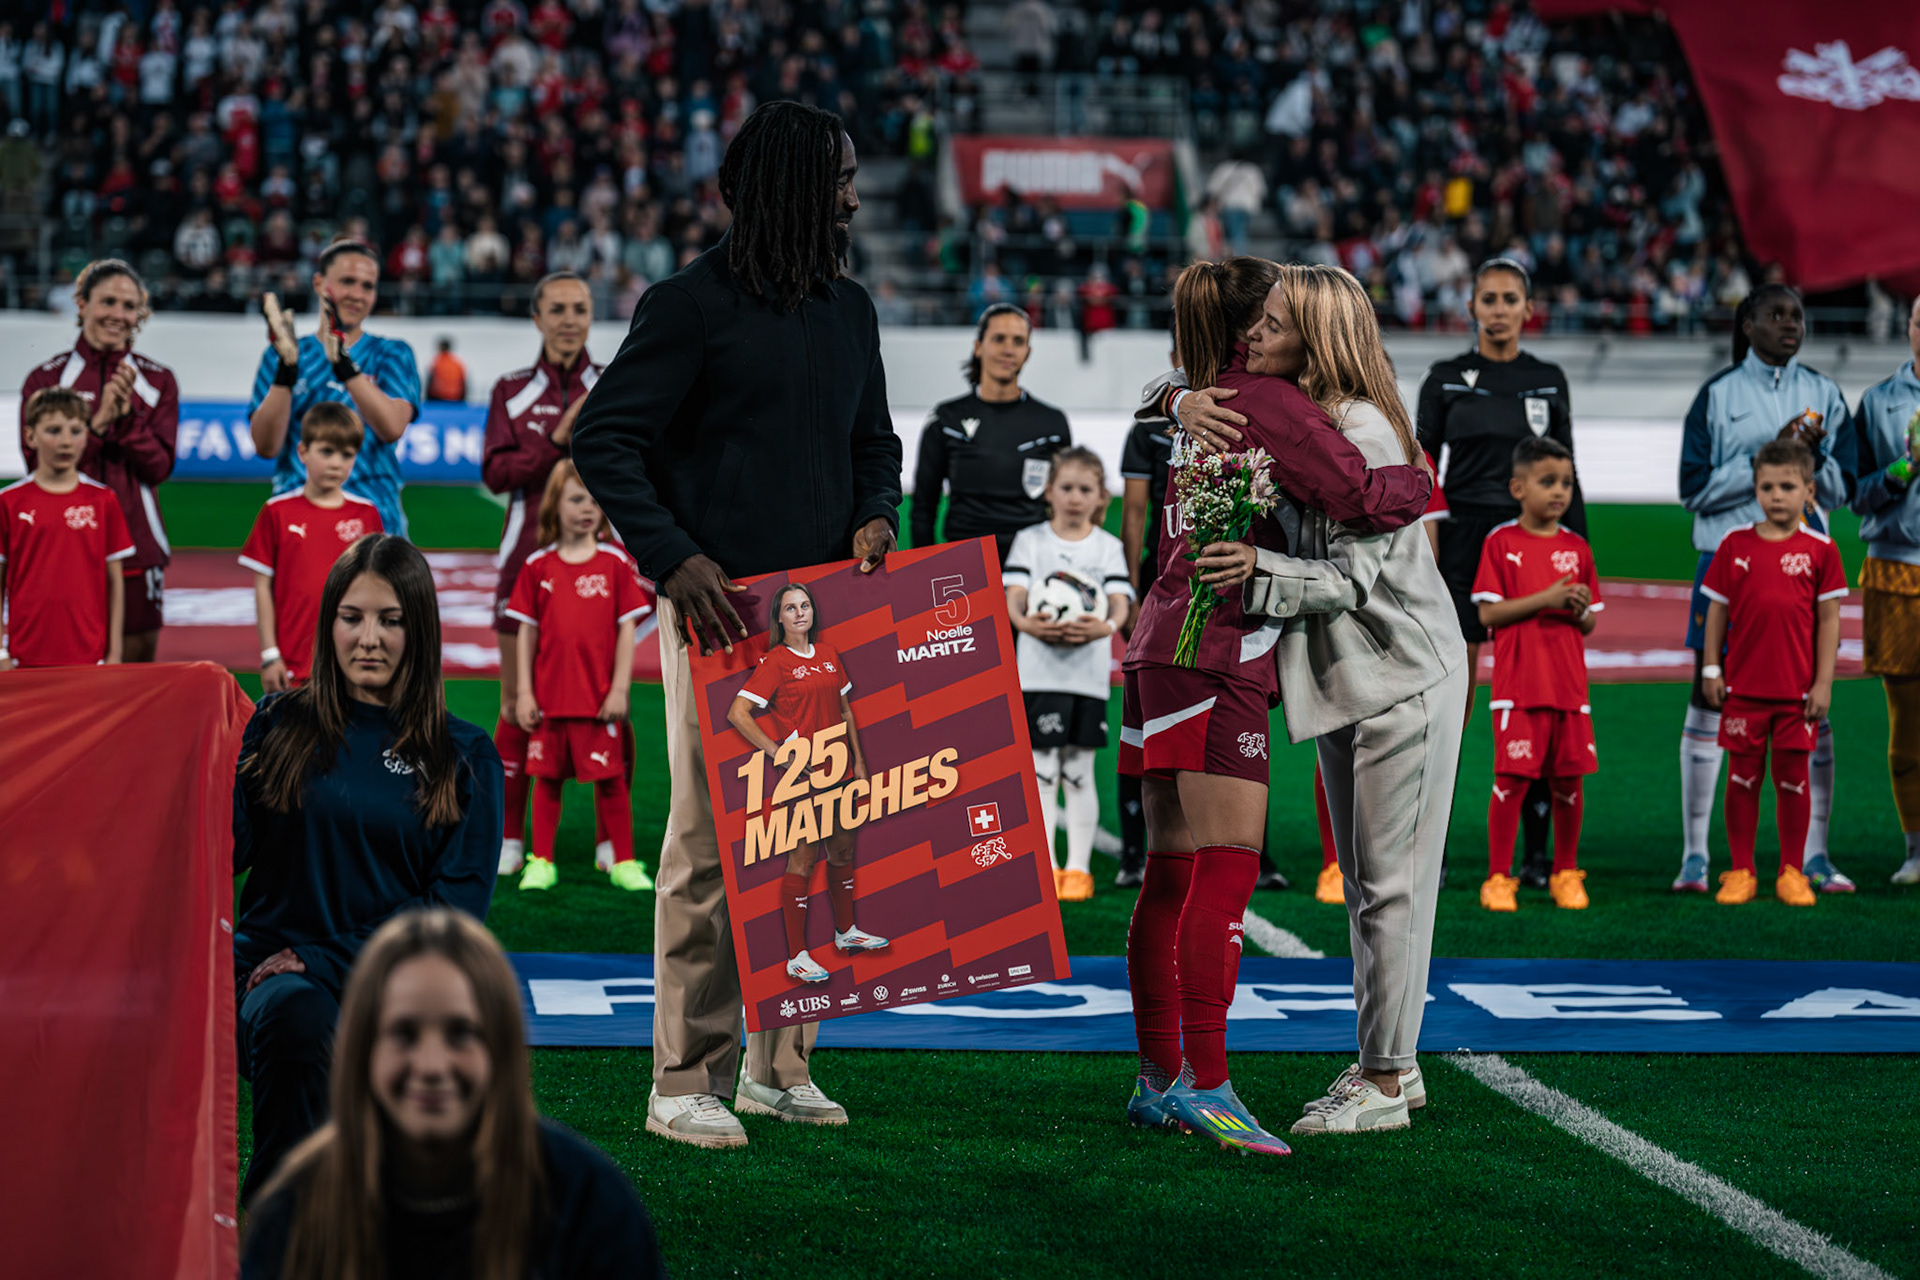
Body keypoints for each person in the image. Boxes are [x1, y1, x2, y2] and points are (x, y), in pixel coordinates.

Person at [571, 101, 901, 1148]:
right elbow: (606, 439)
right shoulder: (687, 304)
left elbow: (876, 444)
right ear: (798, 185)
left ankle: (778, 1064)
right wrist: (674, 558)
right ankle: (683, 1076)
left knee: (812, 836)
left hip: (825, 625)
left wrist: (877, 513)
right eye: (841, 176)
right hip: (718, 620)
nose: (855, 194)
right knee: (710, 847)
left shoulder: (850, 310)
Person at [1121, 257, 1430, 1156]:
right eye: (1266, 317)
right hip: (1214, 648)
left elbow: (1164, 393)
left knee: (1171, 872)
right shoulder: (1271, 403)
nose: (1268, 332)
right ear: (1248, 324)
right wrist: (1422, 476)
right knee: (1224, 873)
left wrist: (1170, 401)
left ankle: (1156, 1079)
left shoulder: (1200, 392)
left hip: (1159, 642)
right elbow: (1364, 498)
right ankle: (1209, 1087)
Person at [1212, 262, 1466, 1132]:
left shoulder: (1363, 429)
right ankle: (1392, 1063)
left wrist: (1257, 572)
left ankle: (1387, 1079)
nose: (1254, 332)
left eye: (1275, 322)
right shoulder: (1310, 418)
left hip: (1404, 673)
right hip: (1355, 674)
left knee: (1391, 888)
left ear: (1318, 335)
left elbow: (1352, 582)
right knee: (1366, 886)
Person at [232, 533, 503, 1201]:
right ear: (328, 624)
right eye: (351, 617)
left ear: (421, 630)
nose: (369, 638)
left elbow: (453, 915)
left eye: (391, 620)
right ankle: (279, 1234)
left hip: (398, 990)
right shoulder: (278, 724)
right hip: (273, 982)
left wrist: (324, 959)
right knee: (299, 1015)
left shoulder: (464, 754)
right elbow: (219, 851)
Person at [241, 908, 666, 1278]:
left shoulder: (587, 1204)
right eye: (403, 1034)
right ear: (363, 1048)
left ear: (500, 1044)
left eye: (460, 1034)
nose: (430, 1065)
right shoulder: (297, 1208)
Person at [1674, 284, 1858, 894]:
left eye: (1797, 316)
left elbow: (1843, 490)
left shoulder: (1825, 394)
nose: (1790, 325)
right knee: (1708, 701)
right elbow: (1693, 489)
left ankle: (1813, 855)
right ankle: (1698, 855)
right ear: (1747, 323)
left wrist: (1810, 465)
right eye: (1776, 315)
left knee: (1811, 703)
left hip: (1803, 572)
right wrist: (1769, 454)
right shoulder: (1717, 394)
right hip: (1726, 563)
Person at [1415, 259, 1582, 890]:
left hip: (1534, 550)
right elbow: (1420, 465)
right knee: (1448, 706)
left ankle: (1537, 858)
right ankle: (1433, 845)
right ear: (1472, 306)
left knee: (1537, 706)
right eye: (1489, 298)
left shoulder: (1548, 379)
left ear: (1528, 307)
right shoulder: (1445, 379)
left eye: (1511, 298)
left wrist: (1579, 552)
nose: (1500, 309)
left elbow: (1570, 470)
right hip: (1460, 551)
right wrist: (1422, 552)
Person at [483, 272, 606, 875]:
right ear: (535, 317)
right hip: (522, 570)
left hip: (599, 575)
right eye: (556, 308)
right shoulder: (510, 391)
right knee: (516, 708)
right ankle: (511, 838)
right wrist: (559, 438)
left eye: (579, 309)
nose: (568, 319)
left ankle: (613, 841)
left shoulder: (613, 384)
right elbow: (497, 474)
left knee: (609, 709)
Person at [1698, 438, 1845, 906]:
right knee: (1742, 778)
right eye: (1767, 486)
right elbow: (1716, 613)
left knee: (1792, 778)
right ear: (1755, 490)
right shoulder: (1734, 544)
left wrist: (1823, 682)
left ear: (1809, 490)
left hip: (1796, 692)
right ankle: (1741, 869)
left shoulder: (1821, 550)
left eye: (1787, 486)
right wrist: (1711, 667)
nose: (1776, 495)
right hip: (1743, 690)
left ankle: (1792, 870)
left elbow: (1828, 621)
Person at [727, 582, 890, 986]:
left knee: (842, 848)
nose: (800, 612)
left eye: (805, 605)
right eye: (790, 608)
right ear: (779, 619)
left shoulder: (830, 654)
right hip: (805, 776)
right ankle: (797, 956)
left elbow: (846, 712)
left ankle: (846, 932)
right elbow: (738, 713)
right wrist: (778, 753)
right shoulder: (775, 662)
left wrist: (861, 762)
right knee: (802, 858)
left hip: (840, 772)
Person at [505, 461, 655, 893]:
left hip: (598, 699)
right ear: (555, 504)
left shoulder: (614, 563)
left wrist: (620, 688)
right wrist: (524, 692)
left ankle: (624, 861)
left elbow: (627, 630)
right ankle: (541, 861)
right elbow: (526, 634)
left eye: (594, 500)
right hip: (550, 700)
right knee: (546, 780)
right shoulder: (537, 566)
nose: (587, 508)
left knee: (610, 782)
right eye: (576, 499)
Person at [20, 260, 179, 664]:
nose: (119, 315)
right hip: (63, 545)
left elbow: (159, 468)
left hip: (139, 548)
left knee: (136, 673)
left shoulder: (158, 380)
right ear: (81, 304)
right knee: (60, 664)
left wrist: (126, 423)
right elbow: (34, 463)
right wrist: (102, 419)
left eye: (129, 306)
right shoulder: (47, 380)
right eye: (108, 301)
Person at [1469, 437, 1602, 911]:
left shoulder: (1577, 548)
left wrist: (1580, 609)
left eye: (1566, 483)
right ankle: (1498, 878)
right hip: (1518, 689)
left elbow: (1588, 622)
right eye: (1548, 482)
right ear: (1518, 488)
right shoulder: (1501, 542)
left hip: (1569, 689)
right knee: (1512, 780)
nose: (1559, 492)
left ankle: (1566, 871)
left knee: (1570, 782)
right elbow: (1487, 615)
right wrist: (1546, 599)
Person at [1004, 446, 1133, 902]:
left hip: (1086, 676)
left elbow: (1120, 601)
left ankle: (1077, 870)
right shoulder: (1031, 541)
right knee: (1041, 771)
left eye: (1086, 490)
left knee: (1079, 771)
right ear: (1050, 492)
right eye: (1067, 488)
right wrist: (1024, 623)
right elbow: (1014, 595)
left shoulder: (1108, 546)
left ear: (1101, 497)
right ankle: (1047, 865)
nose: (1075, 498)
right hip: (1038, 675)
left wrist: (1107, 626)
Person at [248, 240, 422, 538]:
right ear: (318, 282)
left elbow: (392, 426)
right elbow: (266, 446)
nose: (357, 294)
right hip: (299, 525)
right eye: (347, 282)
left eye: (368, 286)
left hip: (375, 523)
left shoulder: (392, 353)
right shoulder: (283, 353)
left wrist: (343, 364)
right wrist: (286, 370)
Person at [910, 303, 1072, 564]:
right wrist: (922, 571)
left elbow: (1063, 507)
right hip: (966, 567)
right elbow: (923, 508)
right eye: (999, 339)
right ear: (978, 346)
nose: (1008, 349)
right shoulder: (945, 419)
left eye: (1018, 341)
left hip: (1034, 566)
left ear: (1028, 352)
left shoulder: (1052, 423)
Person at [238, 403, 384, 690]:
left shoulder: (366, 514)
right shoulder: (276, 511)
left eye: (347, 455)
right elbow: (262, 587)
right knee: (291, 734)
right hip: (292, 664)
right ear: (303, 452)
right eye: (327, 451)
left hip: (351, 664)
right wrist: (269, 655)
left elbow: (376, 590)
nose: (336, 463)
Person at [1852, 296, 1920, 884]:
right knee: (1907, 718)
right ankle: (1916, 850)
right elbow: (1855, 494)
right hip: (1898, 570)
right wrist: (1903, 470)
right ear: (1910, 329)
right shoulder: (1879, 403)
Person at [0, 387, 135, 669]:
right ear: (30, 436)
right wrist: (1, 653)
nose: (65, 441)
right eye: (53, 430)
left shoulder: (103, 500)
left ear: (87, 435)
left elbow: (115, 583)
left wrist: (114, 655)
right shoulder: (8, 502)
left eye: (76, 431)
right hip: (23, 657)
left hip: (90, 656)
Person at [1114, 399, 1174, 889]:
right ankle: (1136, 850)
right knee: (1143, 717)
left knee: (1228, 719)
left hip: (1222, 585)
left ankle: (1254, 847)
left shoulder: (1251, 404)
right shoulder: (1152, 425)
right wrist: (1131, 591)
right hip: (1160, 583)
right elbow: (1135, 512)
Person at [427, 335, 468, 402]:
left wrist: (428, 400)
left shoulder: (437, 362)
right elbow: (464, 383)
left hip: (439, 397)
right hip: (456, 397)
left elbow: (430, 382)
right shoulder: (457, 363)